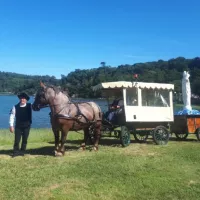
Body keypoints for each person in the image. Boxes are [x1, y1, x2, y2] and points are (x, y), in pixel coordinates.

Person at [9, 92, 32, 157]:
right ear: (19, 99)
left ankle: (22, 151)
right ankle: (16, 152)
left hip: (27, 126)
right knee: (17, 140)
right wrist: (11, 125)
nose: (22, 100)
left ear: (26, 100)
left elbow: (37, 107)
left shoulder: (30, 105)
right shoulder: (15, 107)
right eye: (21, 98)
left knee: (25, 139)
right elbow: (12, 116)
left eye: (24, 98)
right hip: (18, 126)